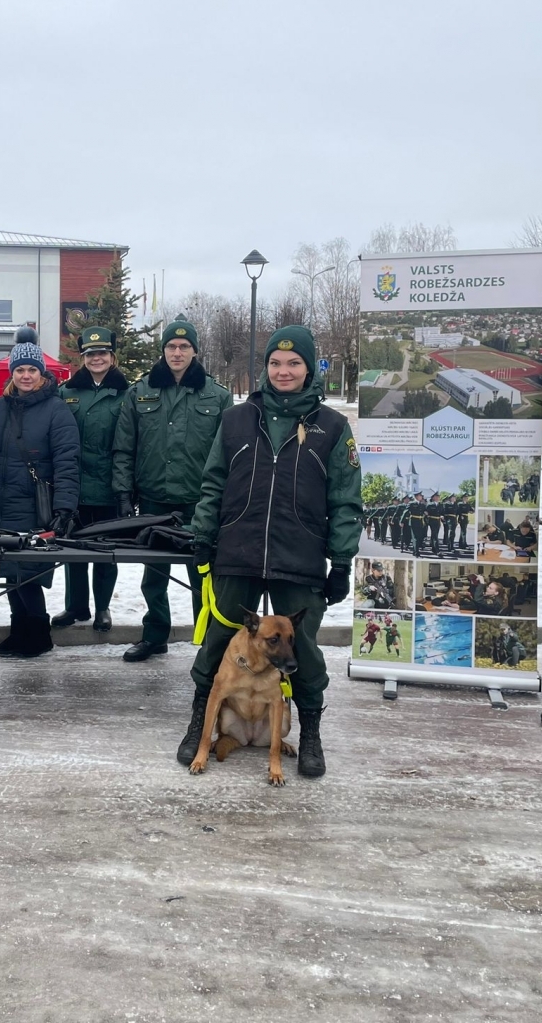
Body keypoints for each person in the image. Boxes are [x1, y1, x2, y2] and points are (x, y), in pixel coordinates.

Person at [181, 326, 362, 778]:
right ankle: (198, 722)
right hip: (237, 549)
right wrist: (204, 532)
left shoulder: (333, 428)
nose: (284, 371)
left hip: (298, 555)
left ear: (309, 368)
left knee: (299, 648)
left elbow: (345, 500)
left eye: (294, 363)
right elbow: (212, 483)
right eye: (276, 364)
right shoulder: (236, 419)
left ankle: (311, 732)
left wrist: (340, 561)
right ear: (265, 369)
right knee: (219, 640)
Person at [111, 315, 233, 661]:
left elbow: (228, 454)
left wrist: (224, 500)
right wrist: (123, 494)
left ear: (194, 351)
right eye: (171, 346)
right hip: (154, 499)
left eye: (184, 346)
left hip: (200, 502)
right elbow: (124, 448)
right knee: (154, 576)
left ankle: (209, 644)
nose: (177, 352)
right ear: (163, 350)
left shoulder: (217, 396)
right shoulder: (141, 391)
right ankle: (154, 635)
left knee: (203, 576)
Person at [0, 338, 80, 657]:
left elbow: (67, 460)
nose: (26, 375)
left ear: (43, 373)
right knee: (6, 569)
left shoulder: (56, 410)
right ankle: (19, 627)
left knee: (28, 572)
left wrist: (65, 506)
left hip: (33, 504)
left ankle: (38, 632)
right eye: (20, 369)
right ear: (13, 373)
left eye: (33, 369)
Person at [52, 327, 129, 632]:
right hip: (75, 486)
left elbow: (130, 444)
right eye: (90, 354)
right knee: (73, 552)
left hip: (111, 487)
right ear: (83, 358)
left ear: (112, 357)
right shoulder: (67, 393)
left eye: (102, 353)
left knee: (107, 554)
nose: (97, 358)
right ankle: (76, 606)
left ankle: (102, 607)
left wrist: (125, 490)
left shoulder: (127, 394)